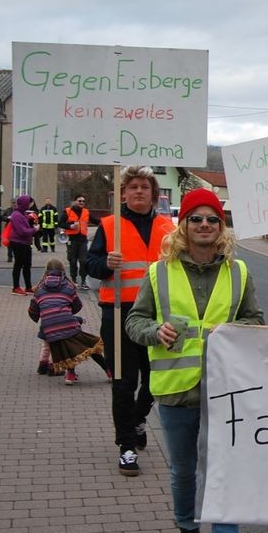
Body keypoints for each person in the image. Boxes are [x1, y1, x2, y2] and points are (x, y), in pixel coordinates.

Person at [125, 187, 263, 533]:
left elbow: (255, 319)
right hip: (176, 390)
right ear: (183, 226)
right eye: (196, 219)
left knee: (223, 471)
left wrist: (240, 332)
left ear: (222, 227)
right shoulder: (159, 272)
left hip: (226, 390)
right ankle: (188, 532)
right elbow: (135, 321)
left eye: (212, 219)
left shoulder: (239, 273)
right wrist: (155, 331)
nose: (204, 225)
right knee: (184, 471)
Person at [85, 166, 175, 477]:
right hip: (119, 314)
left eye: (144, 187)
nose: (138, 191)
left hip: (157, 317)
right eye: (132, 187)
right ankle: (125, 446)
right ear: (123, 193)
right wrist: (105, 264)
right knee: (124, 383)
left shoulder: (168, 228)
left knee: (156, 380)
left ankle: (138, 418)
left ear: (154, 193)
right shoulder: (110, 225)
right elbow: (90, 264)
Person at [29, 258, 108, 386]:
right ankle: (109, 371)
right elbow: (77, 306)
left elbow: (33, 313)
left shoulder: (38, 290)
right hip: (68, 325)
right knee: (91, 346)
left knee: (69, 349)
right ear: (62, 271)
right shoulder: (69, 287)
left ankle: (70, 375)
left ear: (46, 272)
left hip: (49, 331)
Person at [8, 195, 39, 295]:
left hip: (25, 242)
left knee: (27, 265)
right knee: (18, 264)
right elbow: (22, 231)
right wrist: (34, 229)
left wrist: (31, 222)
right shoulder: (16, 215)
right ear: (25, 203)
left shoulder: (23, 214)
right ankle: (16, 287)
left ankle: (28, 286)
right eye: (29, 203)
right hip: (18, 242)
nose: (30, 205)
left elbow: (25, 227)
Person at [62, 195, 90, 289]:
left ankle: (83, 281)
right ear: (74, 201)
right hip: (71, 239)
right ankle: (73, 280)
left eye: (83, 201)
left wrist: (105, 222)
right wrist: (70, 226)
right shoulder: (67, 211)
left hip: (83, 240)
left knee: (83, 261)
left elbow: (95, 220)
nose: (82, 202)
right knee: (72, 260)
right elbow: (60, 223)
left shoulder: (86, 212)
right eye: (80, 201)